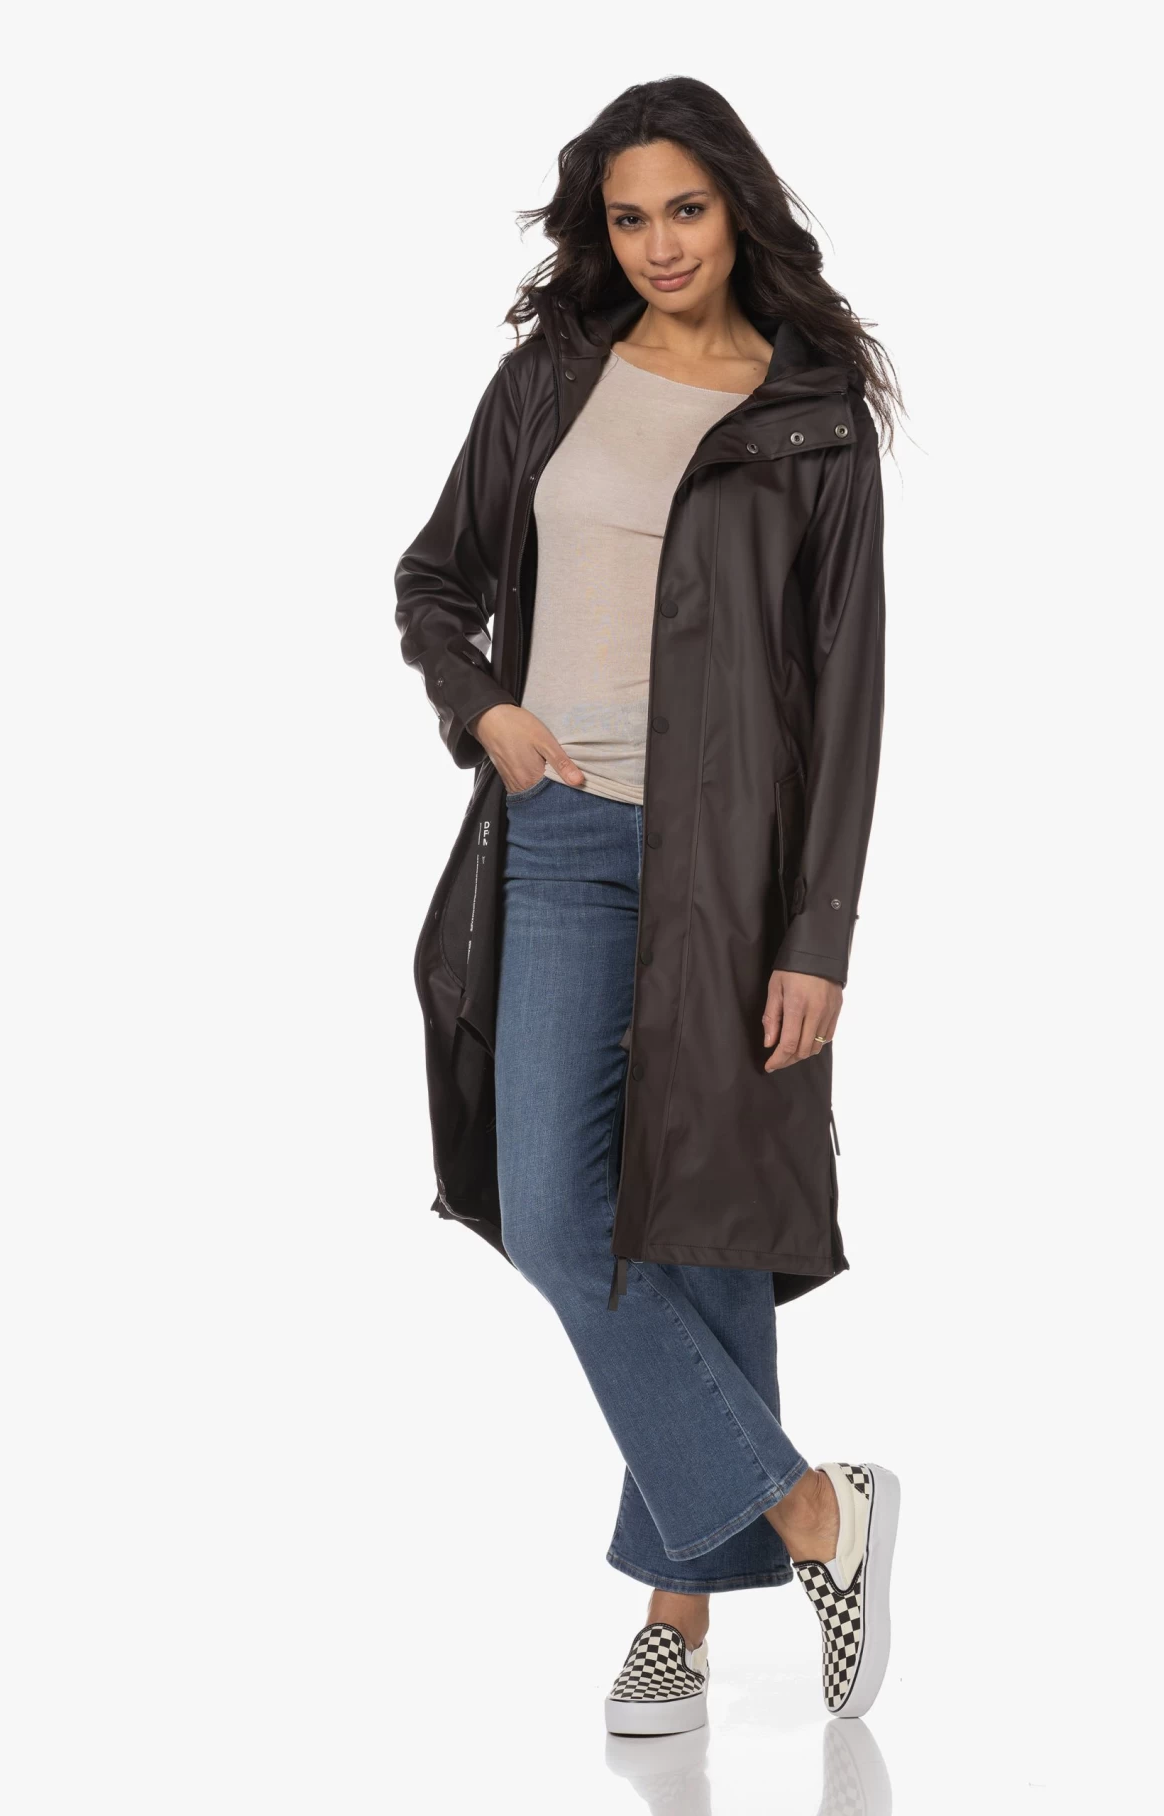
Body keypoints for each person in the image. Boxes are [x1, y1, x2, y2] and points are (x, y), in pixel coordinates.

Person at [393, 76, 901, 1736]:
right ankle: (815, 1512)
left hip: (732, 871)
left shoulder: (813, 415)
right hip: (556, 840)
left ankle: (680, 1617)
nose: (660, 244)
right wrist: (485, 707)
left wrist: (818, 933)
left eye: (685, 208)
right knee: (555, 1215)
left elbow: (847, 694)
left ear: (736, 205)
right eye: (629, 218)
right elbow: (435, 580)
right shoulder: (552, 376)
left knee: (709, 1226)